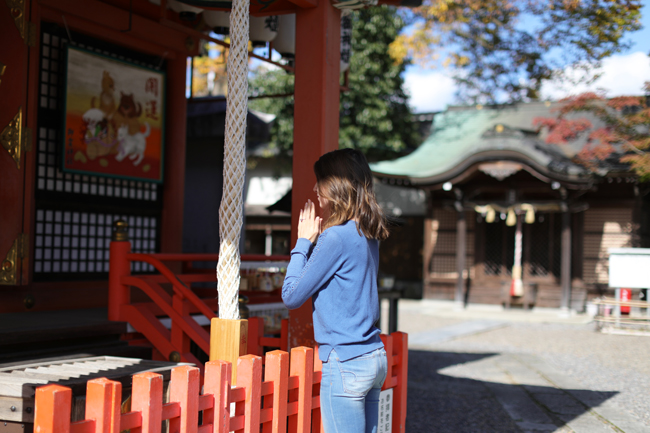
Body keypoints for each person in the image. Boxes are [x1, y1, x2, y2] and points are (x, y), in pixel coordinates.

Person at [282, 148, 389, 433]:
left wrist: (303, 243)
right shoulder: (367, 233)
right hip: (373, 357)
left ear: (336, 184)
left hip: (346, 362)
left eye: (320, 181)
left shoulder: (334, 238)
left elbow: (291, 296)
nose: (315, 189)